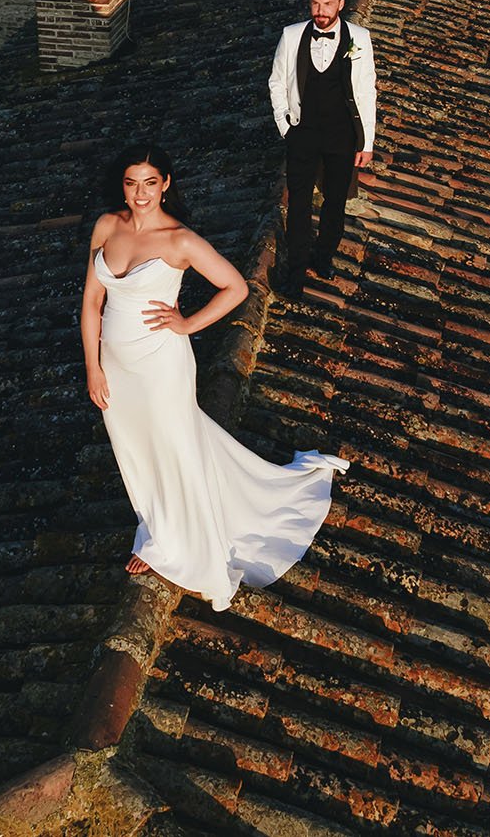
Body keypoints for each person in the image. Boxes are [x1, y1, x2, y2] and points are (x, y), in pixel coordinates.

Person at [81, 145, 348, 610]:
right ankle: (156, 524)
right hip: (115, 365)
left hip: (161, 363)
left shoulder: (180, 240)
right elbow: (91, 303)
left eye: (150, 183)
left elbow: (237, 287)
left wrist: (186, 324)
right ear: (121, 185)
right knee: (133, 446)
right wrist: (93, 366)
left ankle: (171, 544)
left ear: (165, 184)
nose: (140, 193)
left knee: (174, 444)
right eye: (131, 183)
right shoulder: (107, 226)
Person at [267, 0, 377, 291]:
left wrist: (367, 141)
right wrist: (285, 125)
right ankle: (296, 272)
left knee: (335, 202)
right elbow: (276, 82)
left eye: (327, 3)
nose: (321, 9)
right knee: (299, 204)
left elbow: (367, 91)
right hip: (302, 133)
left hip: (342, 135)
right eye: (315, 3)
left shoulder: (360, 38)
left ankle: (324, 256)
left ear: (340, 4)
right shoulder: (291, 36)